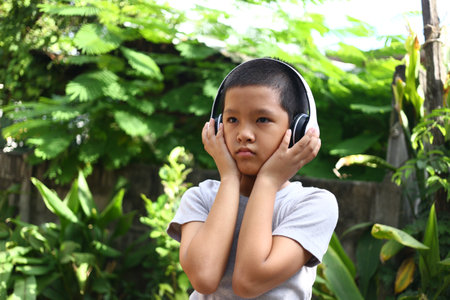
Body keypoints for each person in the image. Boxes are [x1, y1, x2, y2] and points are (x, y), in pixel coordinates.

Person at [167, 58, 338, 299]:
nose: (244, 135)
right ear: (216, 126)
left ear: (299, 130)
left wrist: (267, 181)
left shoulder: (312, 205)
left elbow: (248, 281)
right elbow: (204, 277)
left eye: (262, 120)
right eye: (232, 120)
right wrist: (229, 179)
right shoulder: (200, 198)